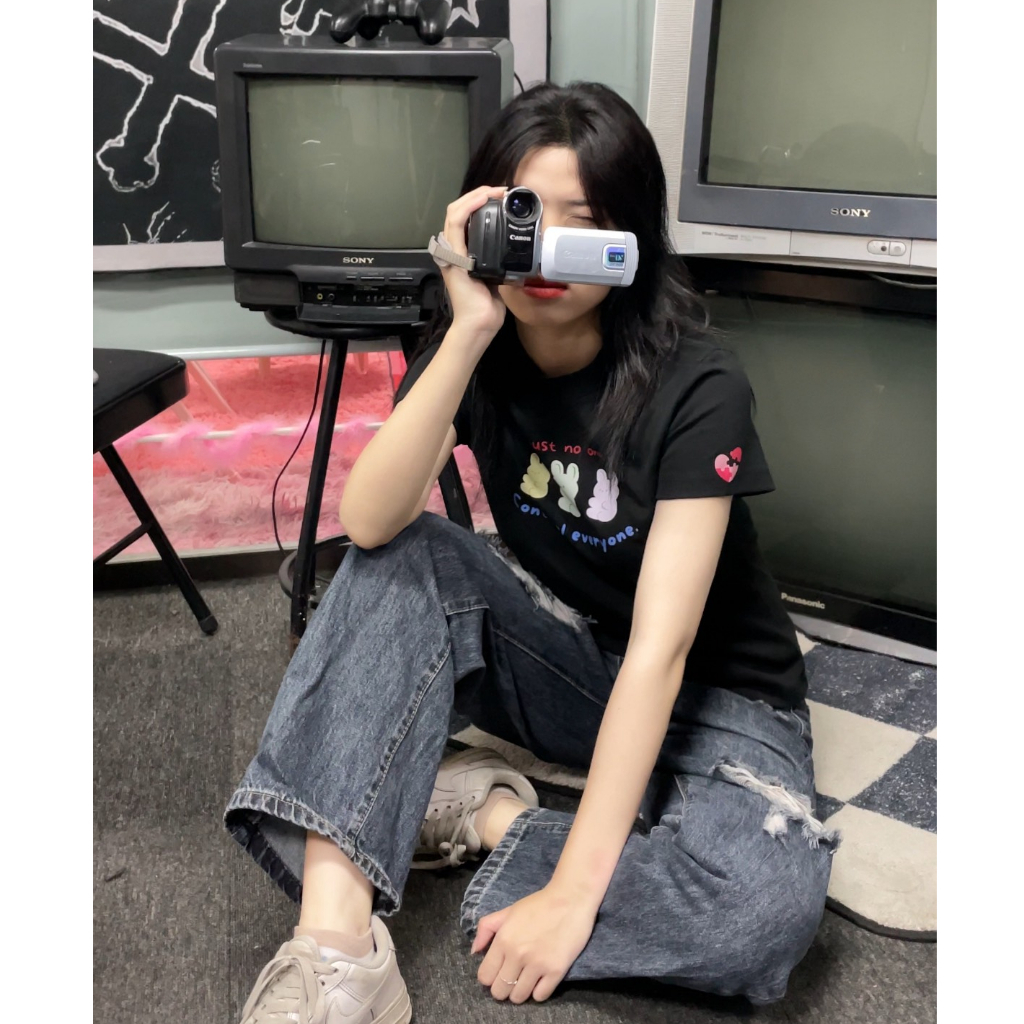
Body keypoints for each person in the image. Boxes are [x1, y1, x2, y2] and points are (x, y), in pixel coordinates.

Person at [226, 82, 838, 1024]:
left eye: (581, 223)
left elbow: (663, 651)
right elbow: (371, 520)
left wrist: (575, 895)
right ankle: (338, 951)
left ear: (630, 237)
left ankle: (489, 817)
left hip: (723, 702)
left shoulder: (698, 381)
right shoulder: (480, 349)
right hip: (573, 666)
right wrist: (469, 328)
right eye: (523, 218)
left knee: (761, 913)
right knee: (405, 557)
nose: (545, 251)